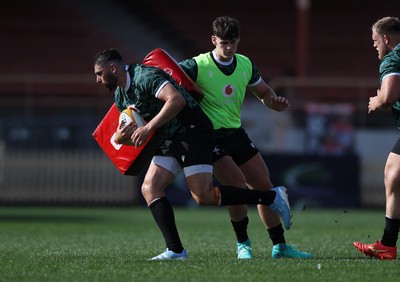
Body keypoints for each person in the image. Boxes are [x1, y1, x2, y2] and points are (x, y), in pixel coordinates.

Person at [93, 48, 291, 260]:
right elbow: (134, 125)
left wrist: (149, 128)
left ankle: (271, 196)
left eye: (99, 73)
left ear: (113, 68)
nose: (97, 79)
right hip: (168, 137)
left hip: (192, 131)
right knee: (150, 188)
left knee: (203, 196)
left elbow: (176, 100)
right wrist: (124, 136)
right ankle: (176, 250)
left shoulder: (145, 76)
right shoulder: (121, 95)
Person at [178, 16, 312, 259]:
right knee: (236, 186)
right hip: (210, 137)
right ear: (213, 40)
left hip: (236, 133)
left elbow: (264, 92)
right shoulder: (197, 65)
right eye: (223, 43)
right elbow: (169, 77)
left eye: (232, 42)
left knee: (263, 185)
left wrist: (274, 102)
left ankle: (279, 246)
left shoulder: (245, 64)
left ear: (238, 40)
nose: (228, 48)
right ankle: (243, 244)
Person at [354, 16, 400, 260]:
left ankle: (388, 243)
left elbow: (390, 95)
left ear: (385, 38)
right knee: (393, 175)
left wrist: (376, 101)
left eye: (375, 41)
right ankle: (388, 244)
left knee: (393, 177)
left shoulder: (393, 58)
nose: (374, 46)